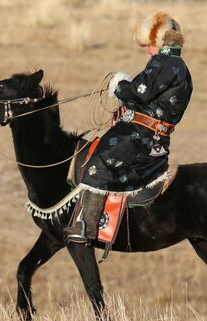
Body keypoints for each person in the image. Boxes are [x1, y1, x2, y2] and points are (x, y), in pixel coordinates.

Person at [65, 12, 193, 244]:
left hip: (144, 136)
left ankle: (86, 227)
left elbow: (139, 92)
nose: (147, 49)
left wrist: (119, 86)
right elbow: (147, 97)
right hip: (150, 133)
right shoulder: (174, 64)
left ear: (161, 41)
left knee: (99, 160)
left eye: (149, 44)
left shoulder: (166, 62)